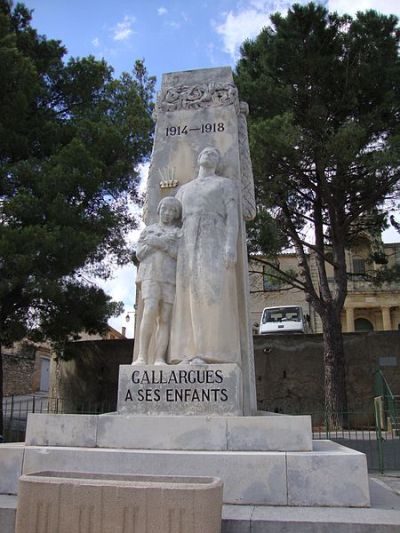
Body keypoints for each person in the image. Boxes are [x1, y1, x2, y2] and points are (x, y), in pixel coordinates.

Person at [168, 146, 241, 364]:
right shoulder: (184, 189)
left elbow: (233, 217)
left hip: (214, 238)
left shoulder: (225, 184)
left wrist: (230, 245)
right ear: (198, 159)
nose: (209, 155)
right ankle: (185, 353)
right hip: (186, 241)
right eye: (206, 153)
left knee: (210, 294)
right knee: (186, 295)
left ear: (218, 162)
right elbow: (172, 220)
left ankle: (210, 351)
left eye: (214, 154)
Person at [133, 196, 182, 365]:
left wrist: (160, 244)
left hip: (169, 276)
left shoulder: (178, 233)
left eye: (172, 211)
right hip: (150, 274)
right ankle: (142, 356)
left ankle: (159, 357)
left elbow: (178, 254)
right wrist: (156, 243)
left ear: (176, 215)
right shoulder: (149, 230)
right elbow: (139, 253)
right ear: (159, 210)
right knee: (150, 309)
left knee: (165, 317)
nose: (167, 213)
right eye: (165, 209)